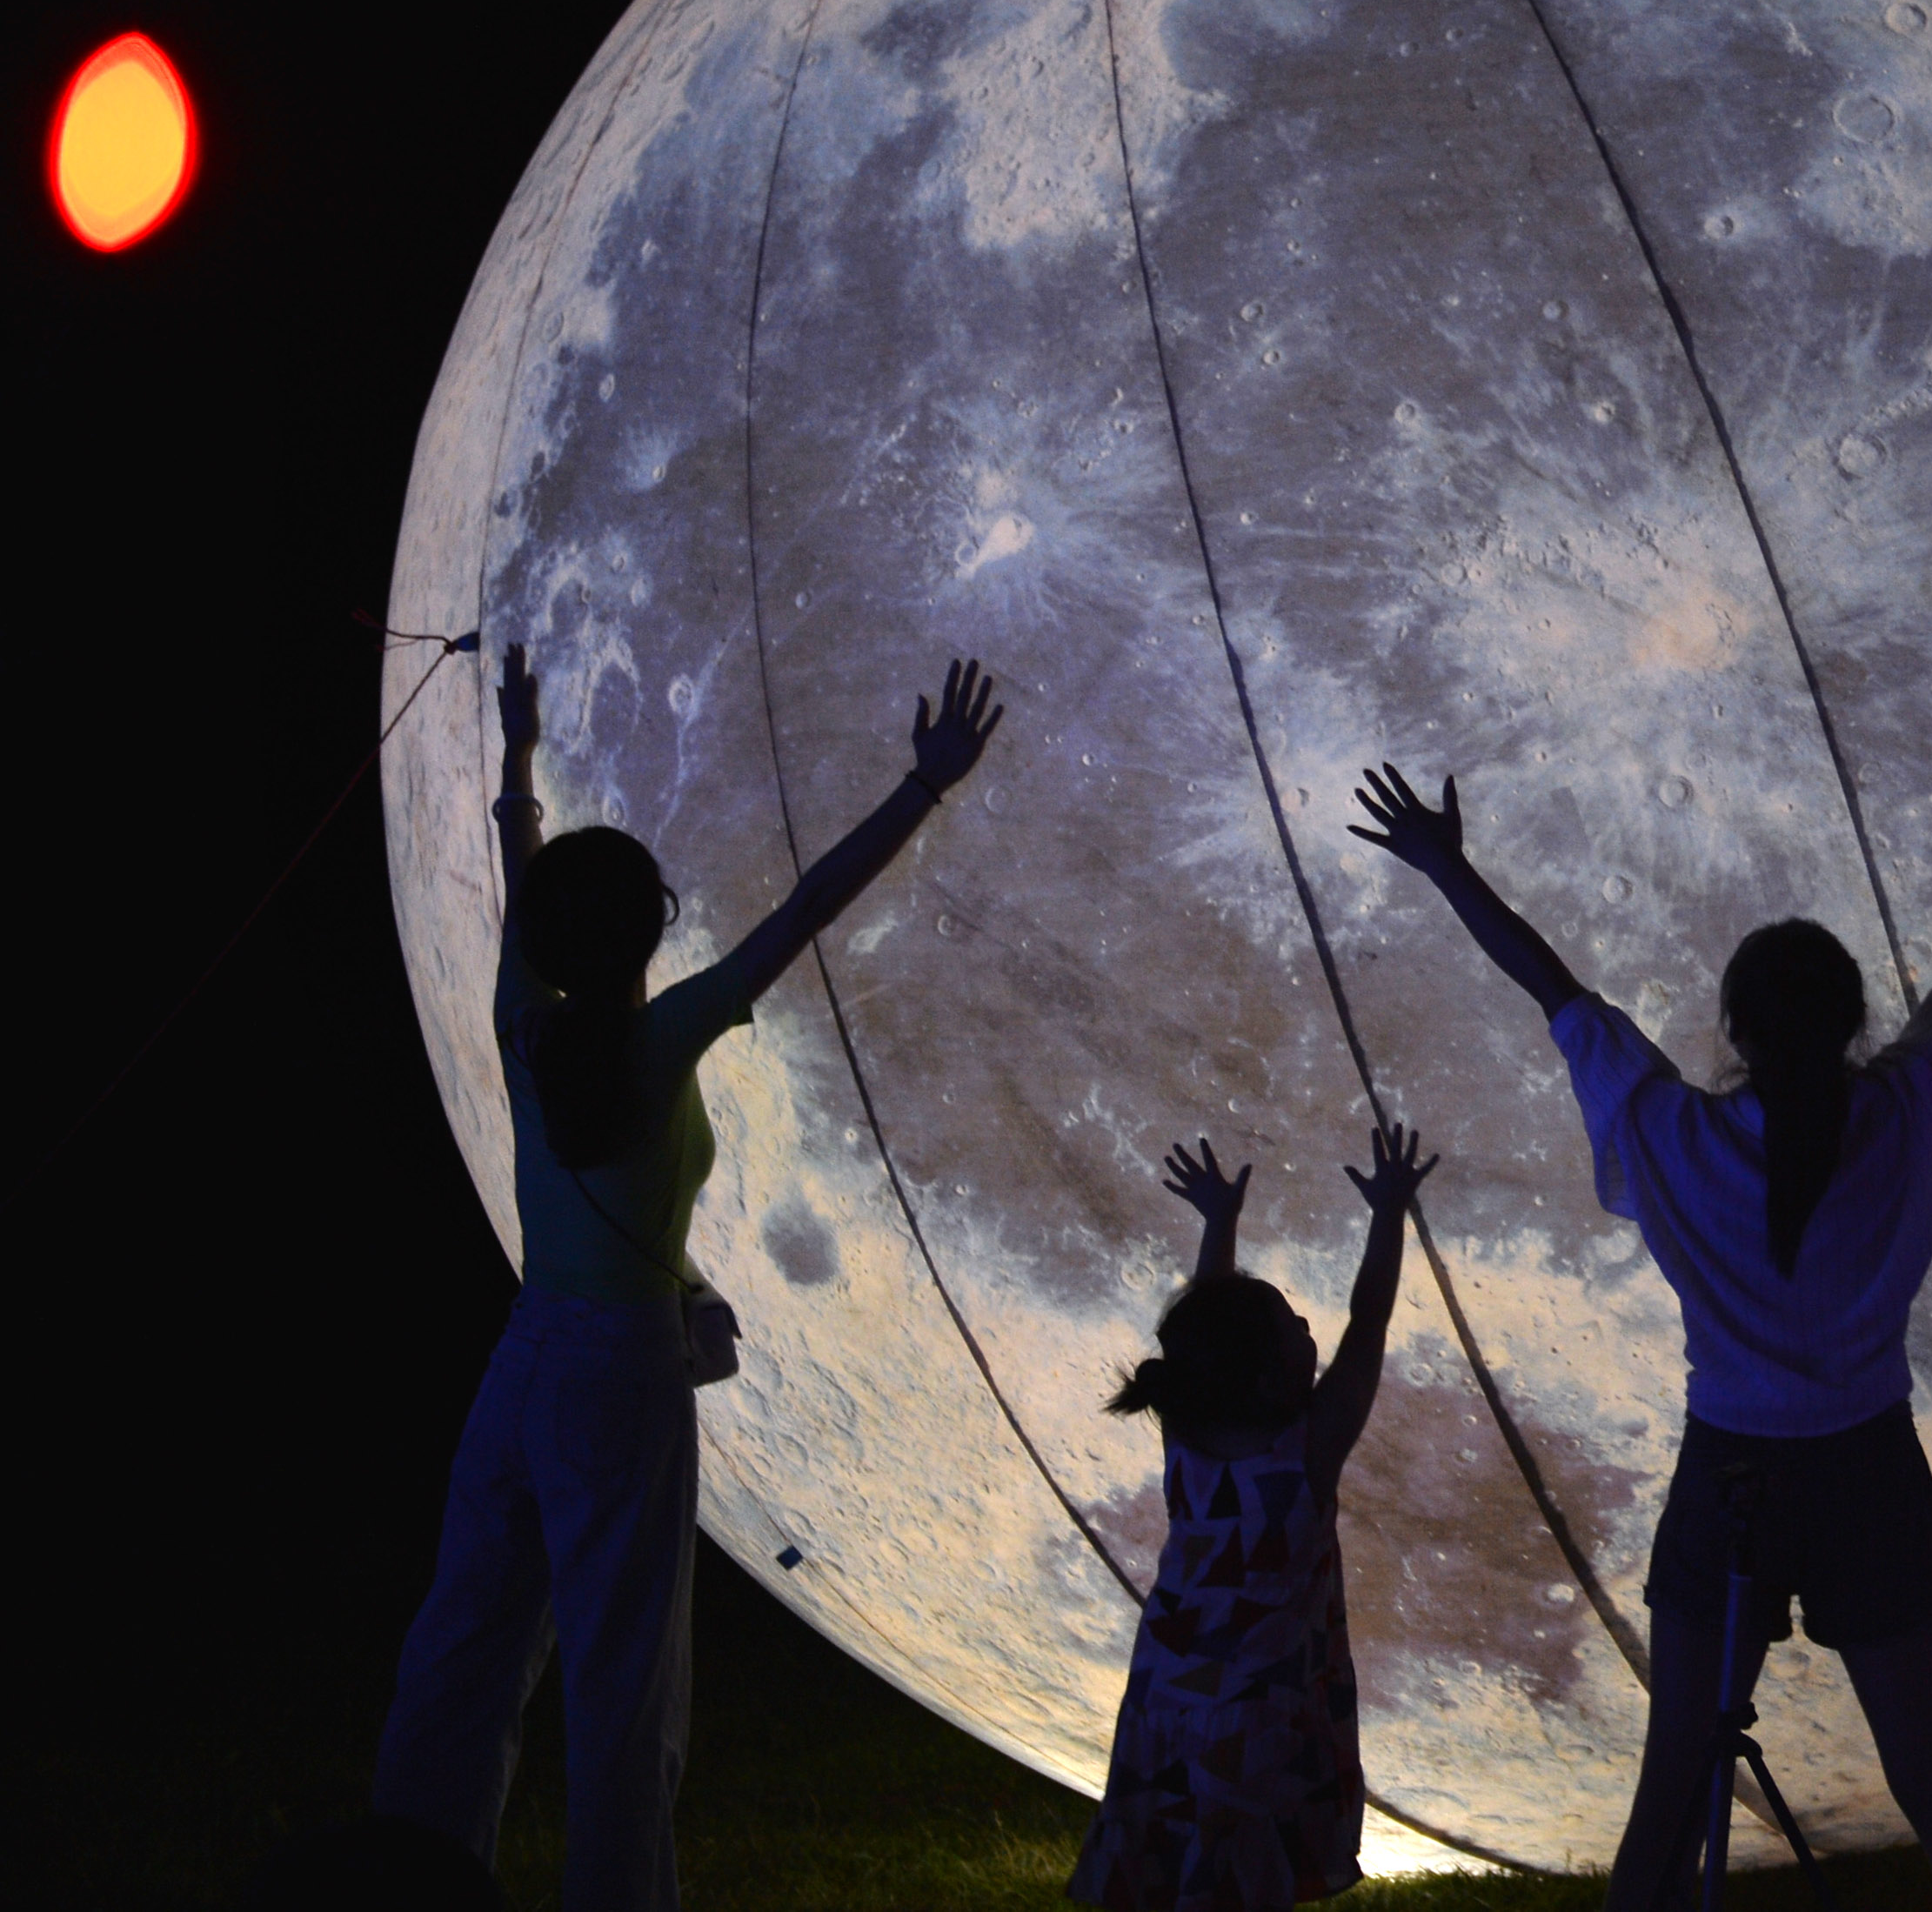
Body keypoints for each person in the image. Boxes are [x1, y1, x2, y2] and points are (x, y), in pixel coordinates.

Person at [1350, 752, 1932, 1912]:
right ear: (1853, 1021)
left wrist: (1447, 865)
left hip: (1727, 1472)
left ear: (1734, 1027)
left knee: (1672, 1789)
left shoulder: (1664, 1132)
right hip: (1869, 1469)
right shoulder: (1912, 1108)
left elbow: (1557, 991)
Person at [374, 642, 1004, 1912]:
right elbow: (806, 908)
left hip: (524, 1357)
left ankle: (404, 1883)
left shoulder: (521, 1020)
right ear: (650, 927)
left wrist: (517, 756)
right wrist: (922, 784)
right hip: (621, 1375)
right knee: (624, 1681)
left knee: (465, 1642)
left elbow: (525, 887)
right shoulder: (660, 1036)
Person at [1073, 1120, 1438, 1910]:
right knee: (1240, 1866)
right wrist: (1388, 1213)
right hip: (1257, 1702)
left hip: (1170, 1684)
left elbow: (1207, 1331)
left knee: (1175, 1850)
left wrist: (1219, 1222)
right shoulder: (1308, 1450)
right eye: (1295, 1327)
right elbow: (1368, 1321)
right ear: (1272, 1374)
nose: (1310, 1330)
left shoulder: (1188, 1427)